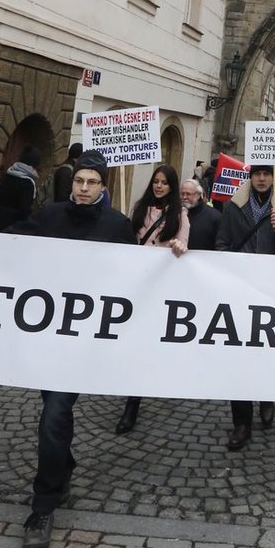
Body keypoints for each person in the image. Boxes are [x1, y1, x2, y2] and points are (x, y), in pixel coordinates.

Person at [0, 150, 134, 548]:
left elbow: (144, 273)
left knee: (54, 413)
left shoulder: (118, 226)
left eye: (92, 183)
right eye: (79, 182)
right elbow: (5, 243)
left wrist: (177, 250)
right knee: (54, 416)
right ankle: (63, 466)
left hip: (84, 343)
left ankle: (43, 506)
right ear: (72, 183)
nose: (85, 188)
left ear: (103, 187)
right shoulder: (50, 217)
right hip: (45, 340)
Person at [217, 164, 275, 449]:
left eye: (267, 174)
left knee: (266, 352)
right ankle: (242, 424)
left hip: (271, 293)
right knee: (238, 356)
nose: (262, 179)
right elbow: (222, 243)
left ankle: (266, 395)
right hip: (240, 290)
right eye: (257, 174)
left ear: (273, 177)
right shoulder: (233, 206)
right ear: (250, 177)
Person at [113, 165, 189, 435]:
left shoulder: (179, 215)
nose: (159, 187)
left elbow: (183, 244)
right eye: (156, 182)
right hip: (135, 285)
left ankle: (132, 403)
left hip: (158, 288)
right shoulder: (138, 208)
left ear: (172, 186)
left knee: (143, 346)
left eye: (164, 183)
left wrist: (178, 247)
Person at [0, 145, 41, 232]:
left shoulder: (8, 174)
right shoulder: (28, 183)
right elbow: (24, 210)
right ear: (34, 163)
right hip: (12, 226)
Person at [181, 176, 221, 250]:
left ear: (198, 195)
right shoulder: (176, 214)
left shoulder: (214, 217)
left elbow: (220, 244)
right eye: (182, 194)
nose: (184, 197)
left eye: (188, 194)